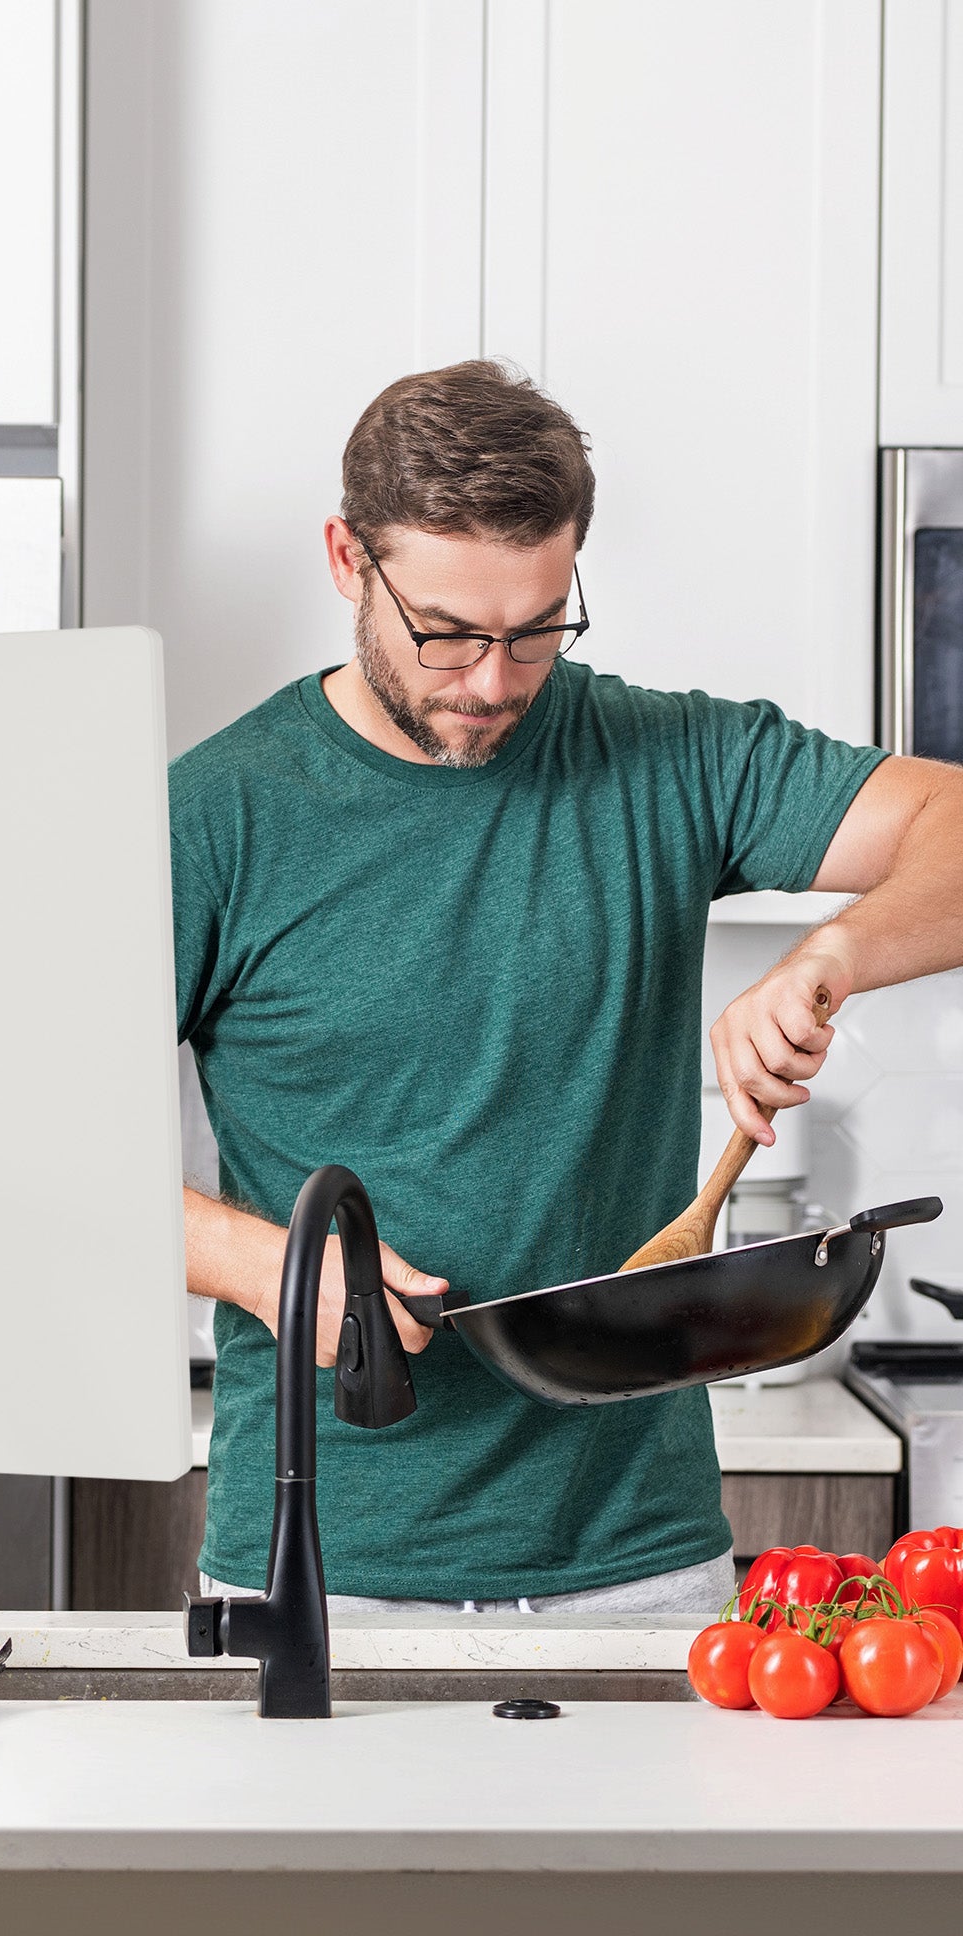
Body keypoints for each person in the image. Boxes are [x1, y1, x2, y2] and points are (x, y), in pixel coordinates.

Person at [173, 360, 963, 1613]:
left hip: (642, 1570)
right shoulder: (214, 814)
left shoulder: (671, 758)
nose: (491, 680)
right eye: (445, 631)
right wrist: (255, 1258)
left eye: (535, 628)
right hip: (321, 1572)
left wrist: (834, 952)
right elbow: (21, 1149)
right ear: (343, 558)